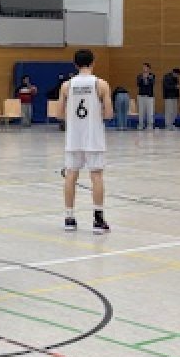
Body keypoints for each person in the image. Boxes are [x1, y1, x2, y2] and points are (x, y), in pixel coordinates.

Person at [61, 49, 113, 233]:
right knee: (96, 176)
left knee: (71, 175)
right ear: (93, 62)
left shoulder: (66, 85)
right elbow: (109, 114)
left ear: (75, 64)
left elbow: (59, 113)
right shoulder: (101, 84)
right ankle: (98, 220)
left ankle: (69, 218)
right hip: (94, 137)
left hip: (73, 137)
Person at [136, 63, 156, 132]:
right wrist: (143, 78)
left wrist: (147, 78)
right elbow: (138, 84)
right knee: (141, 111)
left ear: (149, 68)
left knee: (150, 111)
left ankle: (150, 125)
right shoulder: (139, 76)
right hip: (141, 96)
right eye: (143, 67)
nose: (144, 68)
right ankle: (141, 124)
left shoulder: (152, 76)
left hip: (149, 96)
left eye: (145, 67)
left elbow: (152, 83)